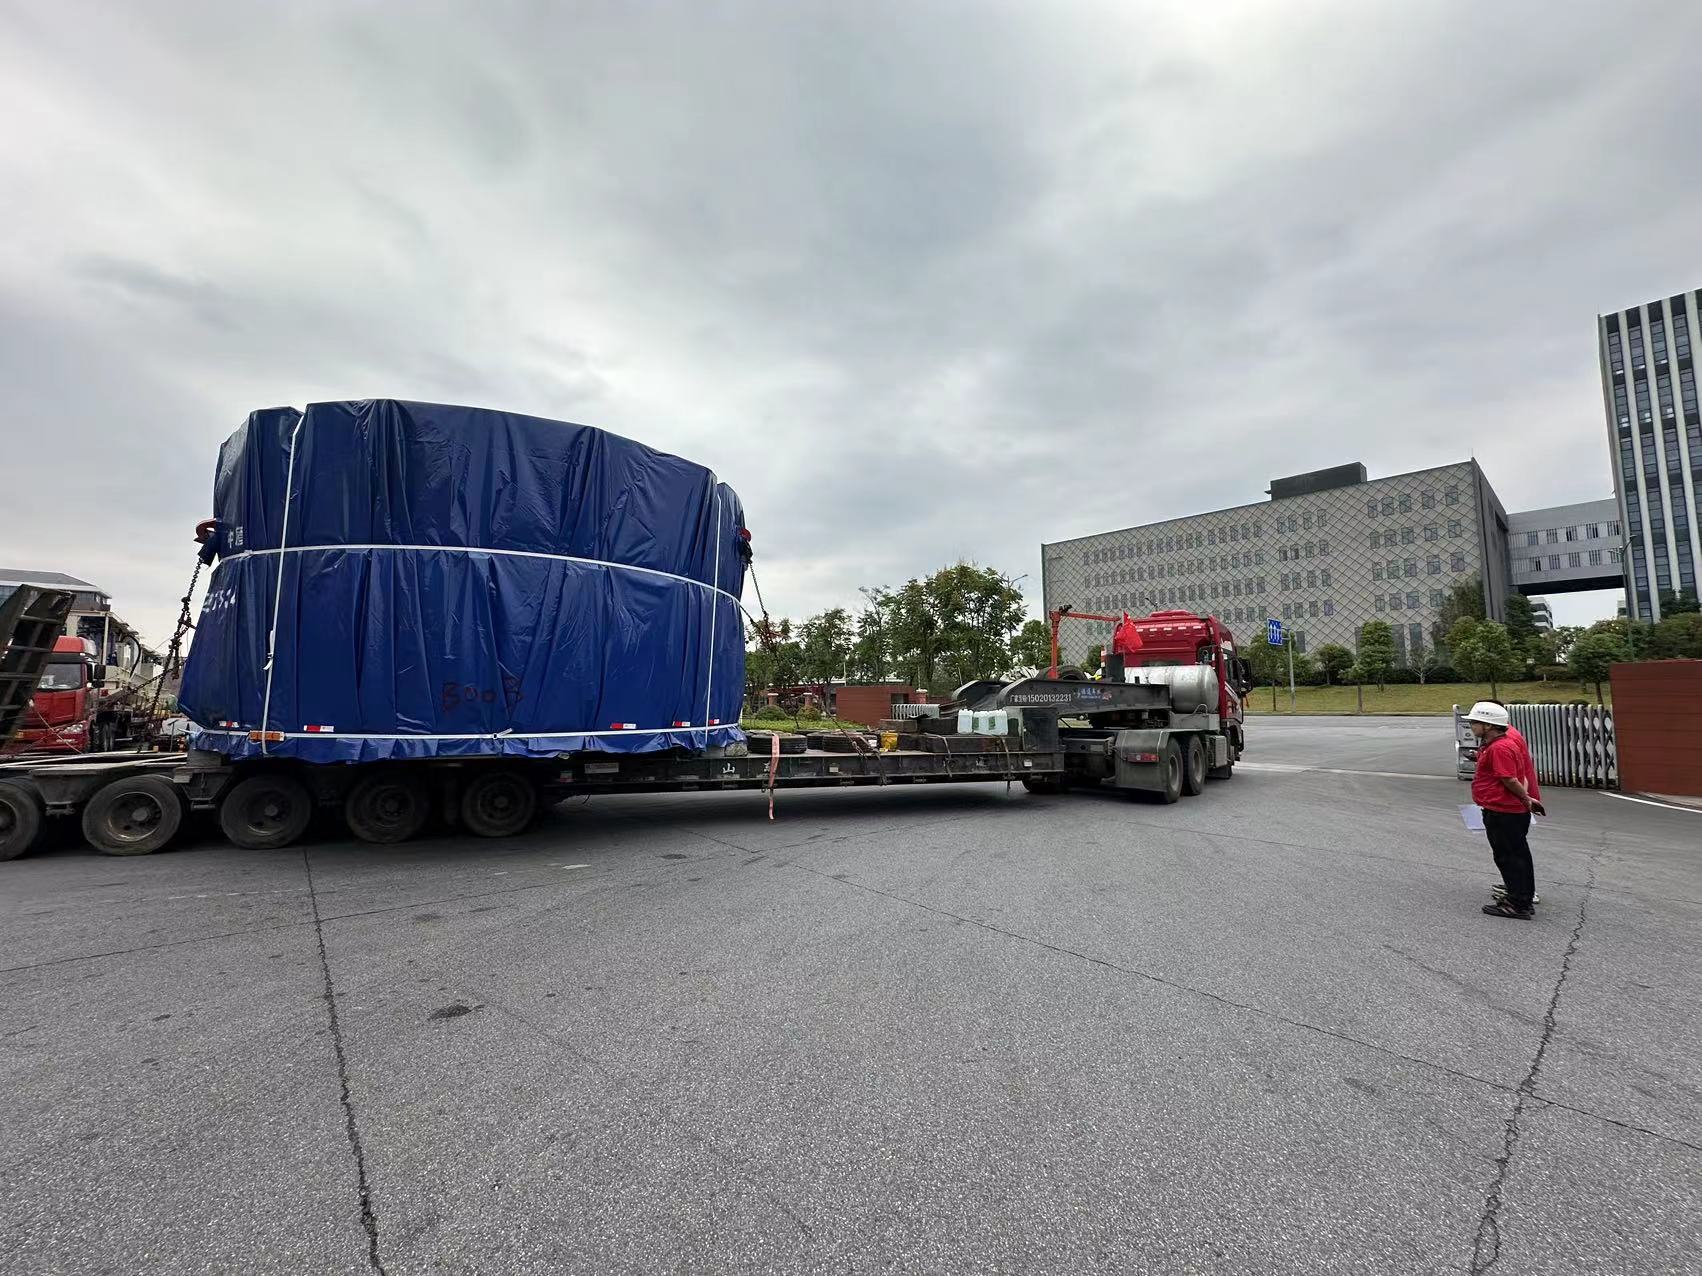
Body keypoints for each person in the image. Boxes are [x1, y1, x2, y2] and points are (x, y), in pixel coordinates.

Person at [1464, 701, 1545, 919]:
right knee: (1514, 854)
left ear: (1488, 725)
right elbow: (1520, 775)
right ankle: (1519, 896)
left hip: (1503, 810)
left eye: (1475, 722)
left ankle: (1519, 903)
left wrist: (1525, 799)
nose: (1471, 726)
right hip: (1505, 808)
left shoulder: (1501, 747)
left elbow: (1510, 778)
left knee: (1510, 856)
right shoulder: (1502, 743)